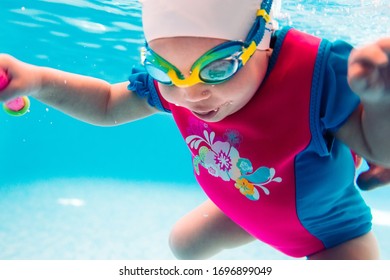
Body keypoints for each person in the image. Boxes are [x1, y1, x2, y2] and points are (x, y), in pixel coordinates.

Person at [0, 0, 389, 260]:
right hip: (243, 209)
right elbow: (106, 105)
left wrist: (379, 100)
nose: (191, 93)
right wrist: (37, 80)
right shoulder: (178, 84)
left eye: (218, 68)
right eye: (164, 70)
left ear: (263, 41)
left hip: (331, 234)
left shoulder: (317, 75)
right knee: (183, 246)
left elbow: (378, 149)